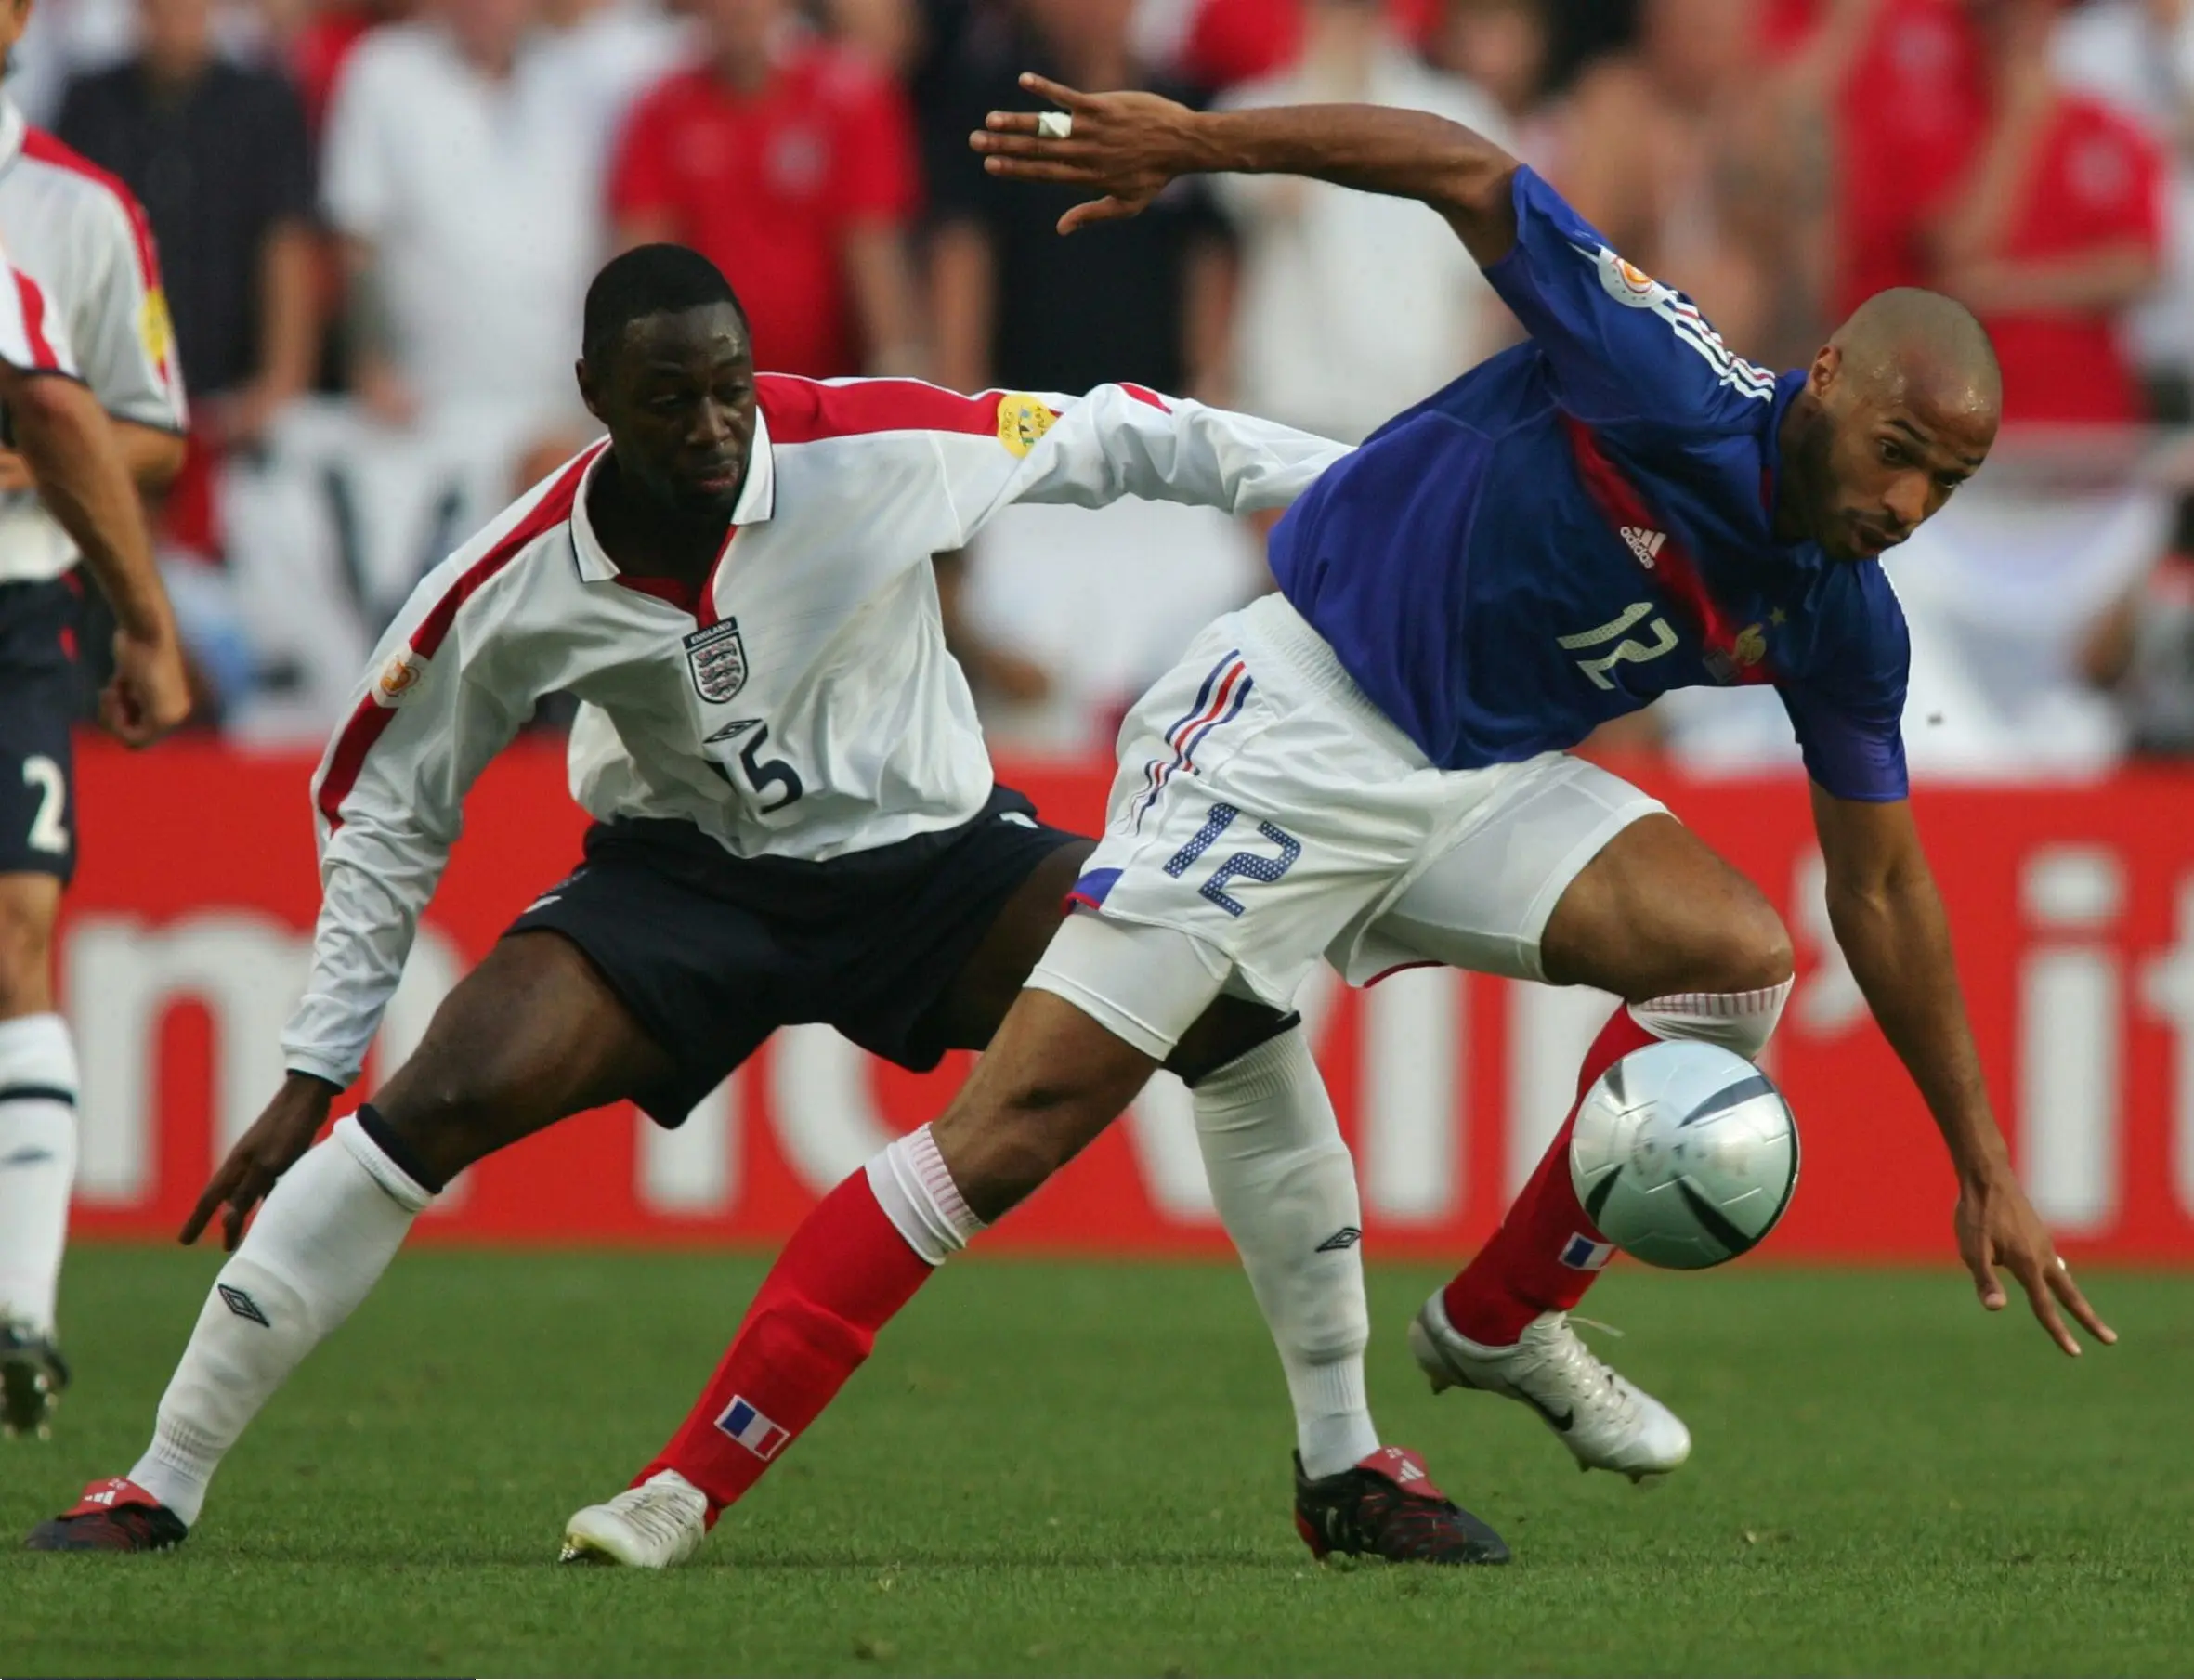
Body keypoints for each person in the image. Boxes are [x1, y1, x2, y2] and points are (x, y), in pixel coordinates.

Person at [562, 77, 2115, 1565]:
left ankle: (1499, 1318)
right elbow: (1459, 164)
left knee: (1730, 960)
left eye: (1948, 483)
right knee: (1022, 1123)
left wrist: (1979, 1155)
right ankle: (683, 1481)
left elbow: (1890, 889)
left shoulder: (1845, 616)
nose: (1907, 504)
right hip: (1292, 721)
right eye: (1898, 456)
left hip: (1471, 772)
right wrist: (1195, 141)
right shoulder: (1666, 378)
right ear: (1830, 372)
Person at [25, 244, 1507, 1568]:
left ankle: (1342, 1464)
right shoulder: (515, 578)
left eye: (730, 387)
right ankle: (157, 1485)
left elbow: (1129, 436)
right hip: (687, 884)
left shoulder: (867, 444)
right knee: (430, 1105)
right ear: (597, 394)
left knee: (1235, 1015)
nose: (716, 426)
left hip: (941, 867)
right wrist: (309, 1060)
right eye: (671, 400)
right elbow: (384, 794)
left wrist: (1379, 486)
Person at [0, 7, 194, 1430]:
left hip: (16, 600)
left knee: (19, 921)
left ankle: (20, 1311)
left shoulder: (80, 206)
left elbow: (140, 424)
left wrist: (35, 449)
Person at [608, 0, 924, 380]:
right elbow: (645, 266)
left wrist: (895, 377)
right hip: (708, 386)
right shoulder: (659, 112)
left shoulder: (850, 97)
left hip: (829, 387)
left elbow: (875, 255)